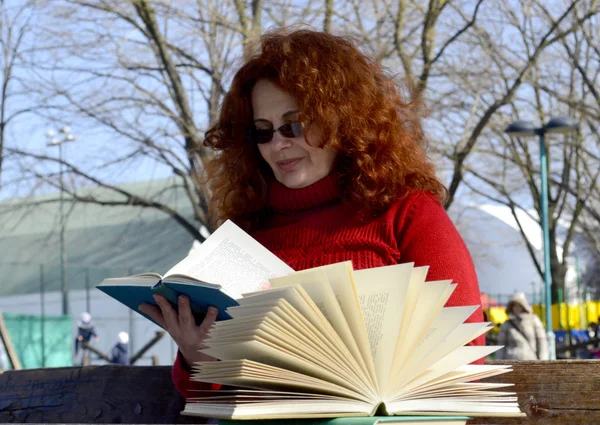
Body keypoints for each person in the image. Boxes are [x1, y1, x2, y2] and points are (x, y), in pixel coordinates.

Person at [138, 29, 485, 399]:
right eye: (263, 131)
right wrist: (198, 357)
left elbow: (463, 355)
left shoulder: (407, 213)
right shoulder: (245, 234)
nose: (278, 144)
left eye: (294, 124)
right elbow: (208, 395)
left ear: (343, 121)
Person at [495, 292, 549, 360]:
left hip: (531, 362)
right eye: (514, 306)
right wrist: (498, 362)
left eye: (519, 305)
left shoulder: (533, 320)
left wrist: (543, 361)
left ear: (524, 306)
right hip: (511, 362)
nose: (517, 308)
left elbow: (542, 341)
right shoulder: (507, 324)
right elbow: (501, 345)